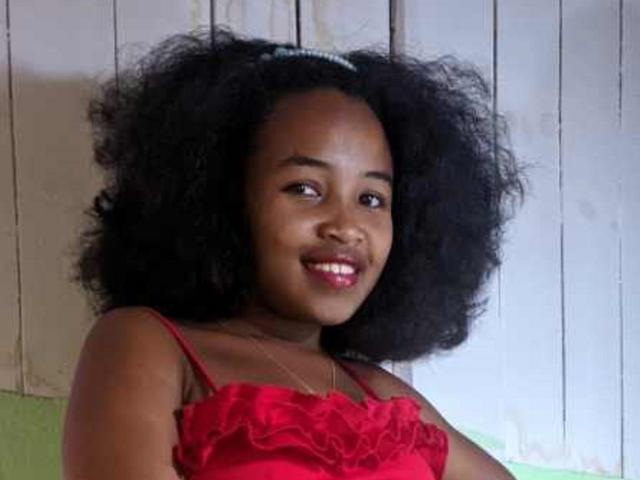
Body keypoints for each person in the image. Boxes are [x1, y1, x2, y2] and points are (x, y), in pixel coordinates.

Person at [63, 26, 525, 480]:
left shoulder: (381, 393)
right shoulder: (147, 343)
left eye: (371, 199)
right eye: (305, 189)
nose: (346, 227)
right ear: (223, 197)